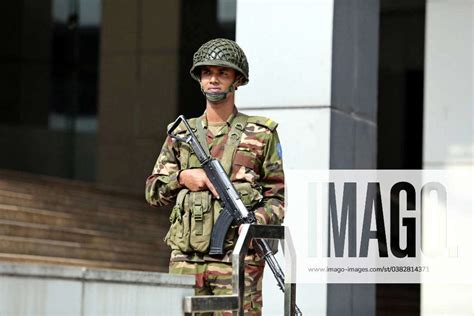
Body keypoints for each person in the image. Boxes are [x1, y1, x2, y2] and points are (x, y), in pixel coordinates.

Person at [145, 38, 284, 316]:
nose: (213, 80)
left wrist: (253, 222)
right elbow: (153, 191)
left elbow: (277, 200)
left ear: (238, 80)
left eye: (223, 73)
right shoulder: (181, 134)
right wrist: (182, 177)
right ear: (199, 80)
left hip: (237, 260)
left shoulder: (261, 134)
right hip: (186, 260)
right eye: (207, 73)